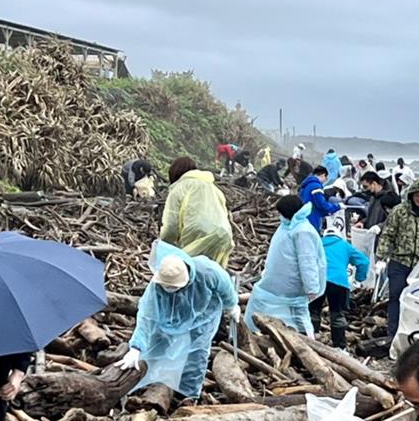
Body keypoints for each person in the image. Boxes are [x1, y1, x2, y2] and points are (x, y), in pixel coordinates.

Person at [122, 244, 239, 398]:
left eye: (172, 286)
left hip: (203, 313)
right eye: (166, 286)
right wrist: (136, 348)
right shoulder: (157, 285)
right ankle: (148, 381)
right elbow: (147, 316)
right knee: (156, 341)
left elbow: (226, 289)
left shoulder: (209, 272)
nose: (168, 288)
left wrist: (232, 306)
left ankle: (188, 395)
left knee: (197, 351)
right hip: (168, 314)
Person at [245, 196, 327, 335]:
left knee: (297, 321)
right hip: (276, 285)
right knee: (261, 304)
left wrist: (311, 288)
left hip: (292, 289)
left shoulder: (303, 231)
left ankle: (304, 346)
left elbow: (307, 261)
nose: (279, 216)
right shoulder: (288, 226)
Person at [376, 178, 419, 336]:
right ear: (411, 195)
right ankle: (393, 334)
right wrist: (381, 257)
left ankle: (415, 333)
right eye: (417, 195)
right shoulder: (399, 211)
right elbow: (387, 234)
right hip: (400, 261)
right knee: (396, 297)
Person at [160, 157, 234, 267]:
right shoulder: (214, 188)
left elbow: (171, 226)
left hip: (198, 234)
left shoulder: (179, 188)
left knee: (187, 274)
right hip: (224, 234)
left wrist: (163, 244)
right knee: (211, 276)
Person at [310, 212, 370, 349]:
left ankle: (311, 339)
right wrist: (359, 278)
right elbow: (364, 262)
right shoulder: (345, 245)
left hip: (318, 280)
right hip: (339, 283)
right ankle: (340, 346)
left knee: (313, 311)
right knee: (337, 314)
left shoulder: (317, 243)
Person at [299, 165, 339, 233]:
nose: (325, 180)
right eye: (326, 177)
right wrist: (337, 206)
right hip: (312, 218)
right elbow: (322, 204)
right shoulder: (316, 186)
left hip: (303, 217)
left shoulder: (305, 185)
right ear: (323, 175)